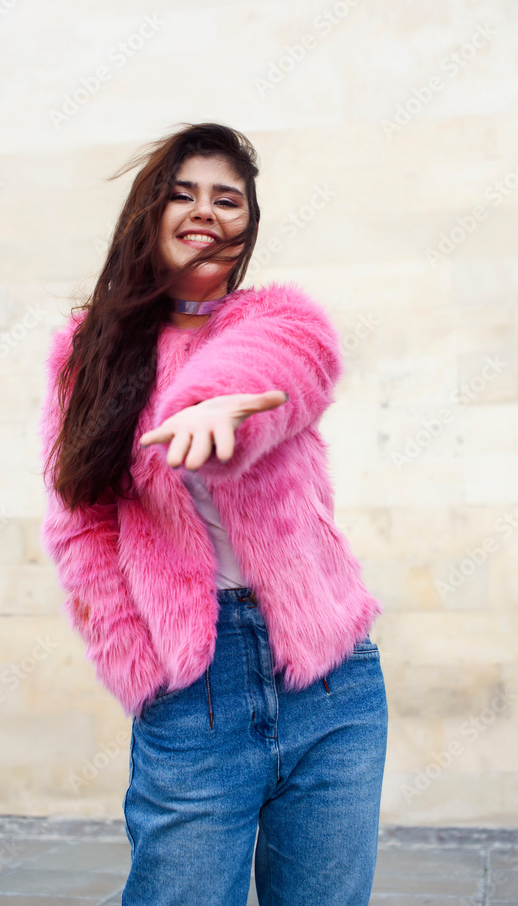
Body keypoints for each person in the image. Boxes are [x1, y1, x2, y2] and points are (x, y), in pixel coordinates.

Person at [38, 122, 388, 906]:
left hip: (331, 679)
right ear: (150, 212)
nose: (205, 211)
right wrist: (139, 662)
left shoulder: (278, 321)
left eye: (227, 199)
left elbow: (284, 369)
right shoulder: (89, 352)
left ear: (248, 223)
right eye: (183, 194)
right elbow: (79, 523)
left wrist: (217, 403)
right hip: (194, 684)